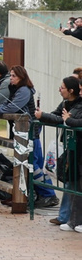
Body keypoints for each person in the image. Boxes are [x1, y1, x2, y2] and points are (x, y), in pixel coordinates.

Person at [0, 66, 57, 208]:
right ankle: (31, 194)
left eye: (13, 76)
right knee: (28, 165)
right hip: (23, 133)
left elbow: (12, 107)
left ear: (21, 77)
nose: (11, 78)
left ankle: (48, 194)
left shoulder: (24, 90)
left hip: (30, 133)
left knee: (35, 166)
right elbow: (8, 104)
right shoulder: (16, 89)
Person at [35, 76, 82, 230]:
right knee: (70, 182)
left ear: (71, 90)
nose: (59, 90)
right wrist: (44, 116)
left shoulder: (78, 105)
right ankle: (68, 218)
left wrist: (67, 119)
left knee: (75, 183)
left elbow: (70, 121)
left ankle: (72, 219)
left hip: (77, 148)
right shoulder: (66, 103)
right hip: (71, 147)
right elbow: (57, 117)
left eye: (62, 87)